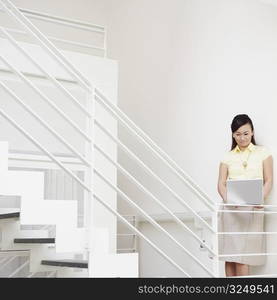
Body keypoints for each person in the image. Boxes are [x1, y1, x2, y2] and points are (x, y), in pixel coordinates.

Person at [217, 114, 273, 277]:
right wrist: (229, 200)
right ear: (233, 134)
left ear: (252, 132)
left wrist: (259, 199)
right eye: (238, 134)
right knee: (230, 256)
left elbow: (269, 180)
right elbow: (221, 183)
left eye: (246, 133)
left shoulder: (263, 153)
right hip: (231, 210)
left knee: (243, 257)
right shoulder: (227, 156)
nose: (242, 138)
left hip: (253, 208)